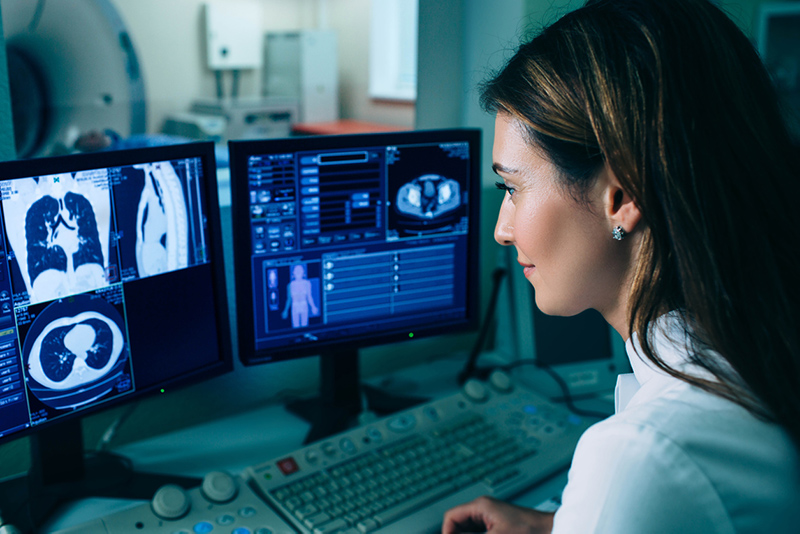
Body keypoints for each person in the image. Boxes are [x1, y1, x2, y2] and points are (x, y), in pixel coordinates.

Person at [442, 0, 800, 532]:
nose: (502, 228)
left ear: (622, 194)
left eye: (513, 188)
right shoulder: (755, 356)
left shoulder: (641, 457)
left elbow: (657, 476)